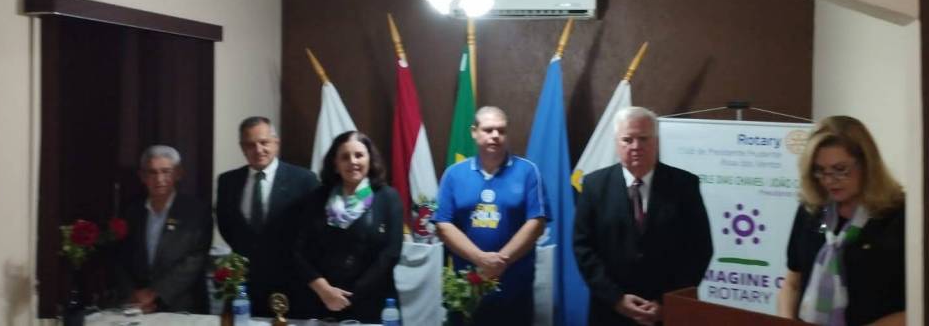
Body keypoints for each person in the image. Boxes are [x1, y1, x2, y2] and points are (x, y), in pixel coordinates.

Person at [573, 106, 713, 326]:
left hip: (667, 311)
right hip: (610, 311)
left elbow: (700, 248)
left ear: (656, 142)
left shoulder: (684, 185)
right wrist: (616, 299)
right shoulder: (593, 186)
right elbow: (583, 248)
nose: (636, 146)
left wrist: (667, 302)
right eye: (627, 140)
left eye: (643, 138)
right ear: (616, 143)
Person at [777, 116, 906, 325]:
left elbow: (917, 305)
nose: (829, 180)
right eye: (820, 171)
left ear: (867, 163)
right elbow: (792, 284)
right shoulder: (811, 210)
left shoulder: (898, 216)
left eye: (840, 169)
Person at [432, 106, 548, 326]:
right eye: (488, 130)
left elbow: (537, 223)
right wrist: (480, 259)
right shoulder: (454, 174)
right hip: (466, 291)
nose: (495, 135)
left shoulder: (528, 171)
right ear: (474, 132)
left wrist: (500, 261)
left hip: (514, 291)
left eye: (501, 130)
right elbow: (443, 225)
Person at [293, 131, 404, 322]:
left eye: (359, 155)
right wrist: (324, 290)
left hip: (374, 302)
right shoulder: (316, 198)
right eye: (345, 157)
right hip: (323, 301)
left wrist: (351, 294)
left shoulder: (388, 197)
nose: (353, 161)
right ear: (335, 164)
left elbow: (391, 252)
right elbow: (299, 251)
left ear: (370, 160)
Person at [215, 116, 320, 316]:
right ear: (242, 147)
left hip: (291, 285)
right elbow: (226, 226)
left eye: (264, 142)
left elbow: (312, 232)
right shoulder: (227, 181)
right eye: (250, 144)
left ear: (276, 143)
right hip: (245, 285)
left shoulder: (304, 180)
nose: (258, 149)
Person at [114, 145, 212, 313]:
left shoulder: (196, 212)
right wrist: (132, 294)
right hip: (137, 306)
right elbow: (120, 257)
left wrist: (156, 294)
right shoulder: (131, 212)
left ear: (178, 173)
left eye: (166, 171)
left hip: (182, 307)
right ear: (142, 176)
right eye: (152, 172)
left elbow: (195, 260)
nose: (159, 179)